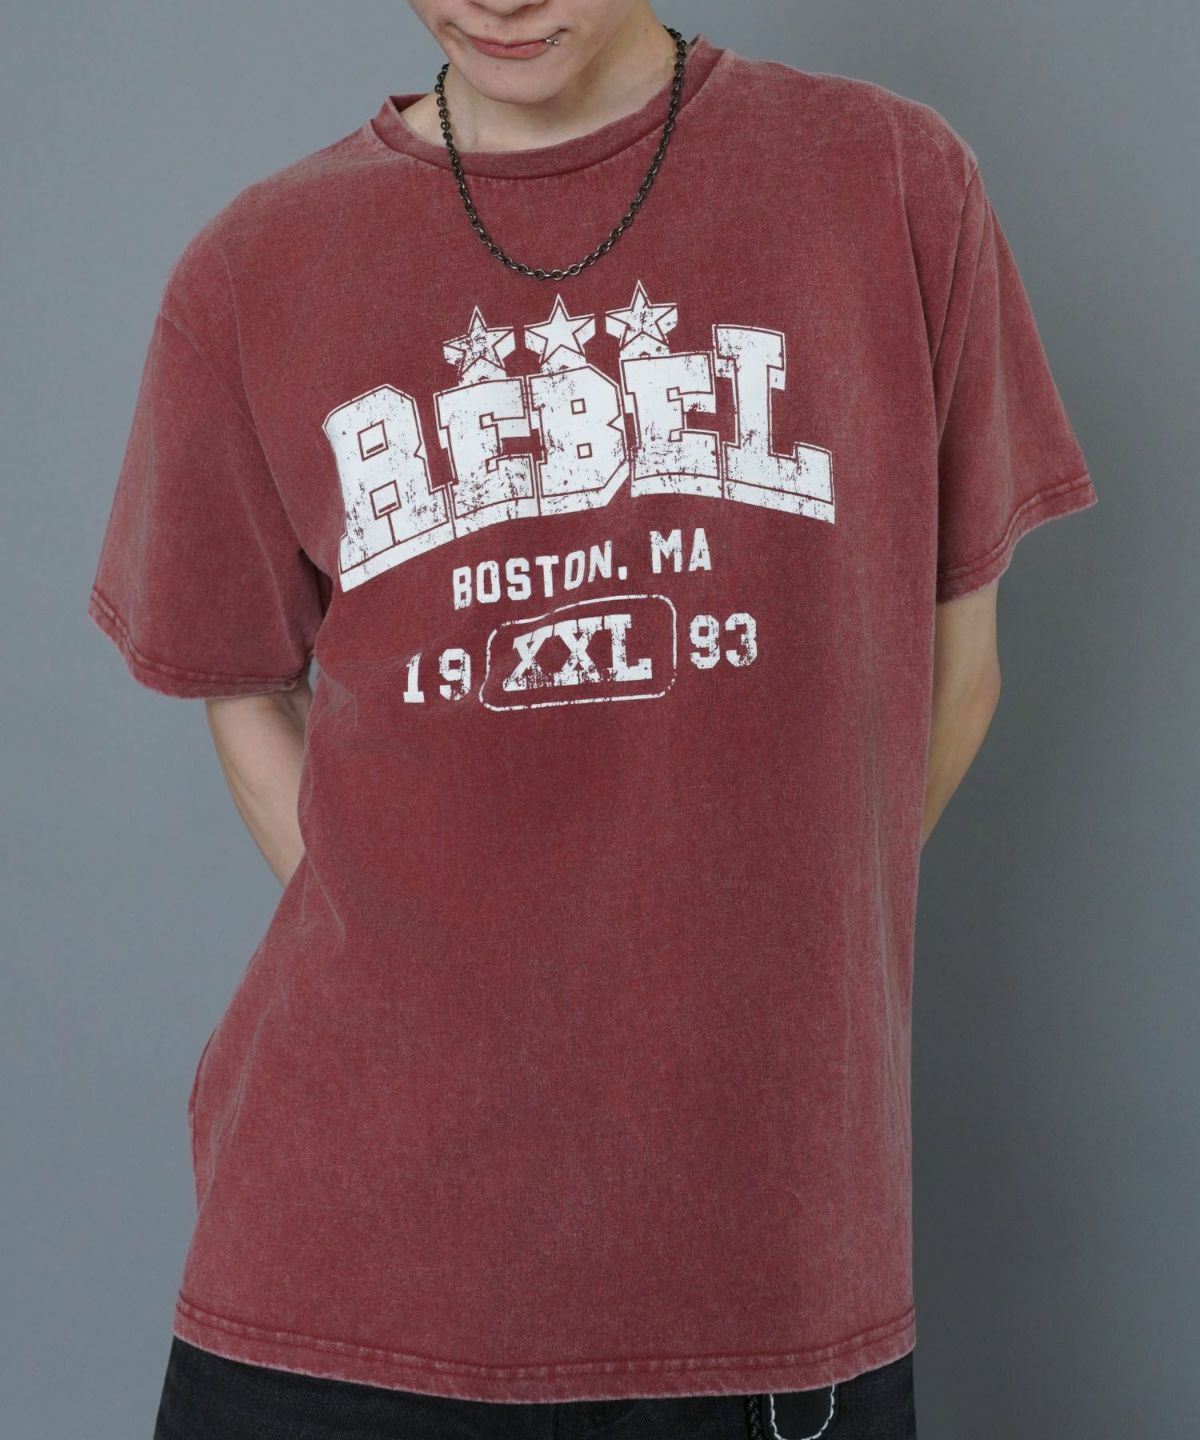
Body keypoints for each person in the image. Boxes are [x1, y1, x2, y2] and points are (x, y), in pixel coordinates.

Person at [86, 3, 1098, 1436]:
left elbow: (958, 667)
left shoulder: (886, 181)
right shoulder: (255, 268)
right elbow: (243, 689)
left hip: (752, 1269)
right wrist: (459, 962)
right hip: (339, 1266)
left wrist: (747, 935)